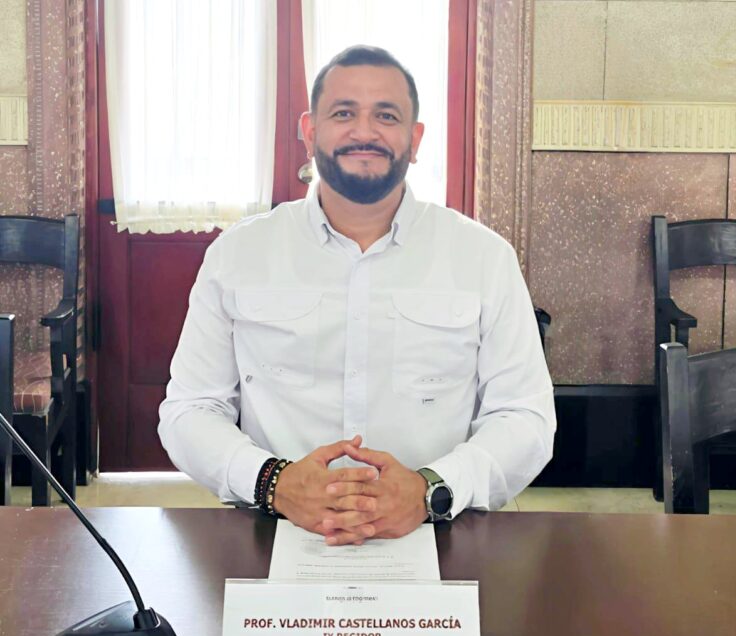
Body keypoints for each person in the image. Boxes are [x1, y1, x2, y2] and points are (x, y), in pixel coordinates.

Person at [158, 45, 555, 546]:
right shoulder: (238, 254)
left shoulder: (483, 257)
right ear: (310, 132)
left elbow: (525, 418)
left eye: (386, 116)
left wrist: (430, 490)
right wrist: (274, 482)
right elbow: (189, 410)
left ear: (415, 140)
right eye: (343, 113)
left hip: (435, 531)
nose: (364, 132)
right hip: (274, 530)